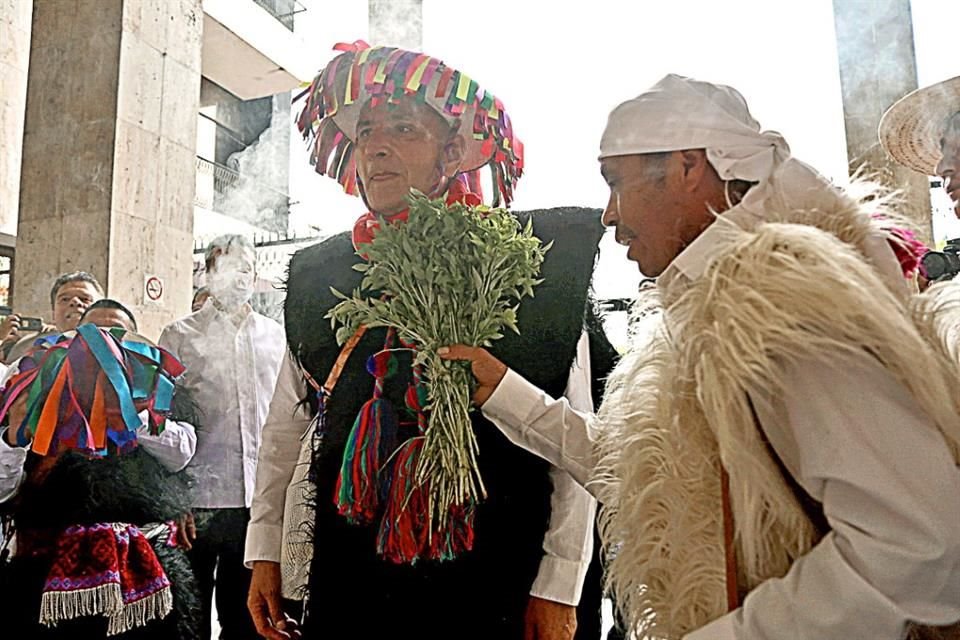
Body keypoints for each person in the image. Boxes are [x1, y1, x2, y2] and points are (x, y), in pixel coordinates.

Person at [441, 74, 960, 639]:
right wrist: (505, 393)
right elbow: (663, 478)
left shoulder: (779, 300)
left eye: (616, 183)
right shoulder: (717, 307)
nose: (608, 215)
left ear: (689, 168)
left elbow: (915, 549)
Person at [244, 42, 615, 640]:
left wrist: (559, 583)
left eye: (403, 129)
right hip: (355, 565)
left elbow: (574, 437)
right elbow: (286, 425)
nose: (378, 146)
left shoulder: (535, 259)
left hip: (497, 566)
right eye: (365, 132)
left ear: (452, 151)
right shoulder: (323, 273)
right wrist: (265, 549)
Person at [0, 321, 201, 638]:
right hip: (41, 569)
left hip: (146, 564)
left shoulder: (147, 392)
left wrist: (125, 408)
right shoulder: (28, 397)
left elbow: (181, 453)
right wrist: (14, 436)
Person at [160, 235, 285, 640]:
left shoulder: (275, 336)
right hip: (197, 505)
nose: (238, 277)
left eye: (246, 268)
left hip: (257, 504)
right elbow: (165, 421)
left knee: (245, 618)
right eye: (227, 267)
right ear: (209, 274)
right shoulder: (179, 335)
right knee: (189, 616)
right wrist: (175, 499)